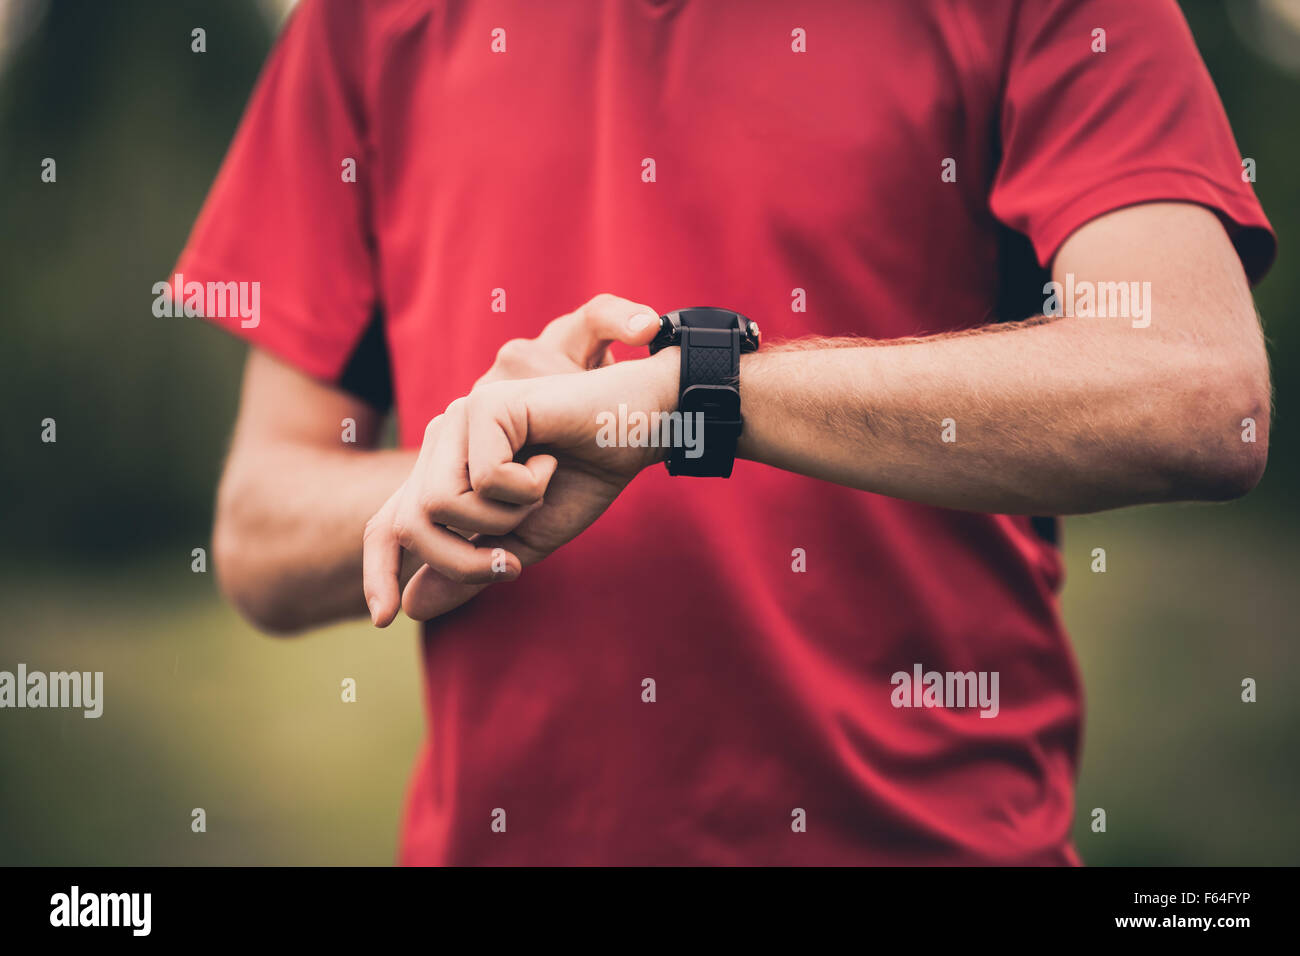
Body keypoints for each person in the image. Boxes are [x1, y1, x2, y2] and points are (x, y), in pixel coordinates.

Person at [177, 0, 1274, 864]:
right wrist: (468, 478)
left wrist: (687, 400)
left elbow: (1197, 387)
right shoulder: (363, 22)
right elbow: (256, 533)